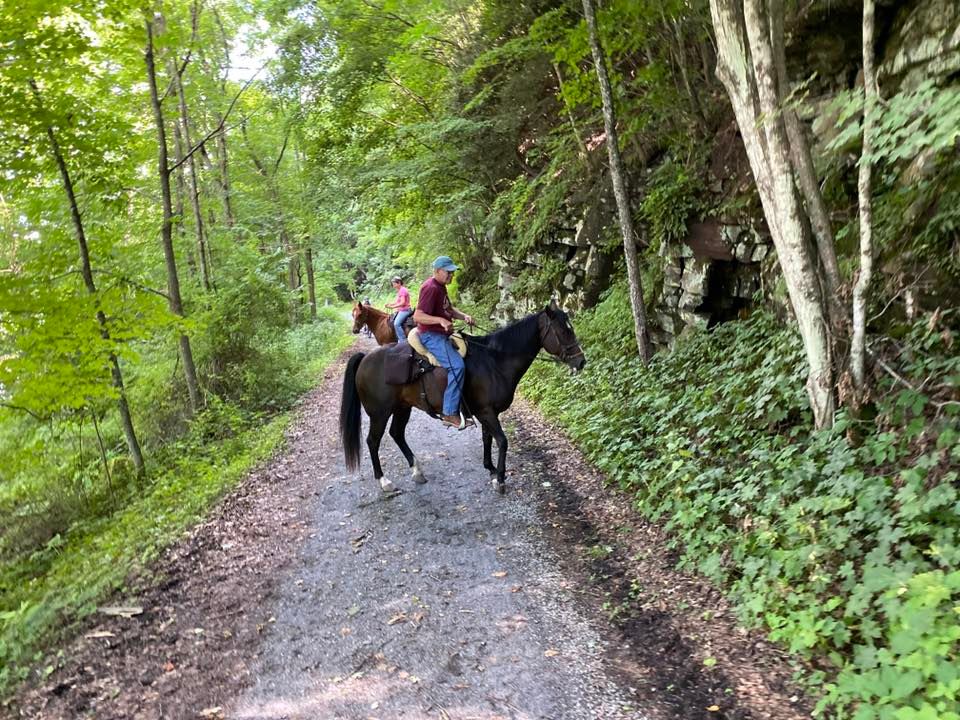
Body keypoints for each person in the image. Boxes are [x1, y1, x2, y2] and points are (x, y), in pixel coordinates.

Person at [412, 256, 476, 429]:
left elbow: (449, 309)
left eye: (452, 273)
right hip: (431, 336)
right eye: (448, 272)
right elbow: (418, 316)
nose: (451, 276)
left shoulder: (441, 287)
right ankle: (449, 413)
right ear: (438, 271)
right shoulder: (430, 288)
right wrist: (440, 320)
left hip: (441, 333)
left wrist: (464, 316)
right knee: (457, 366)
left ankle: (465, 406)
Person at [385, 276, 412, 341]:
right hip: (401, 310)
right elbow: (398, 302)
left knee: (396, 324)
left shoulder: (402, 290)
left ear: (399, 283)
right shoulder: (400, 290)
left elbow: (402, 303)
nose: (393, 285)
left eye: (394, 283)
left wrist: (392, 307)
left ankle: (403, 340)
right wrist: (391, 304)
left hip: (405, 310)